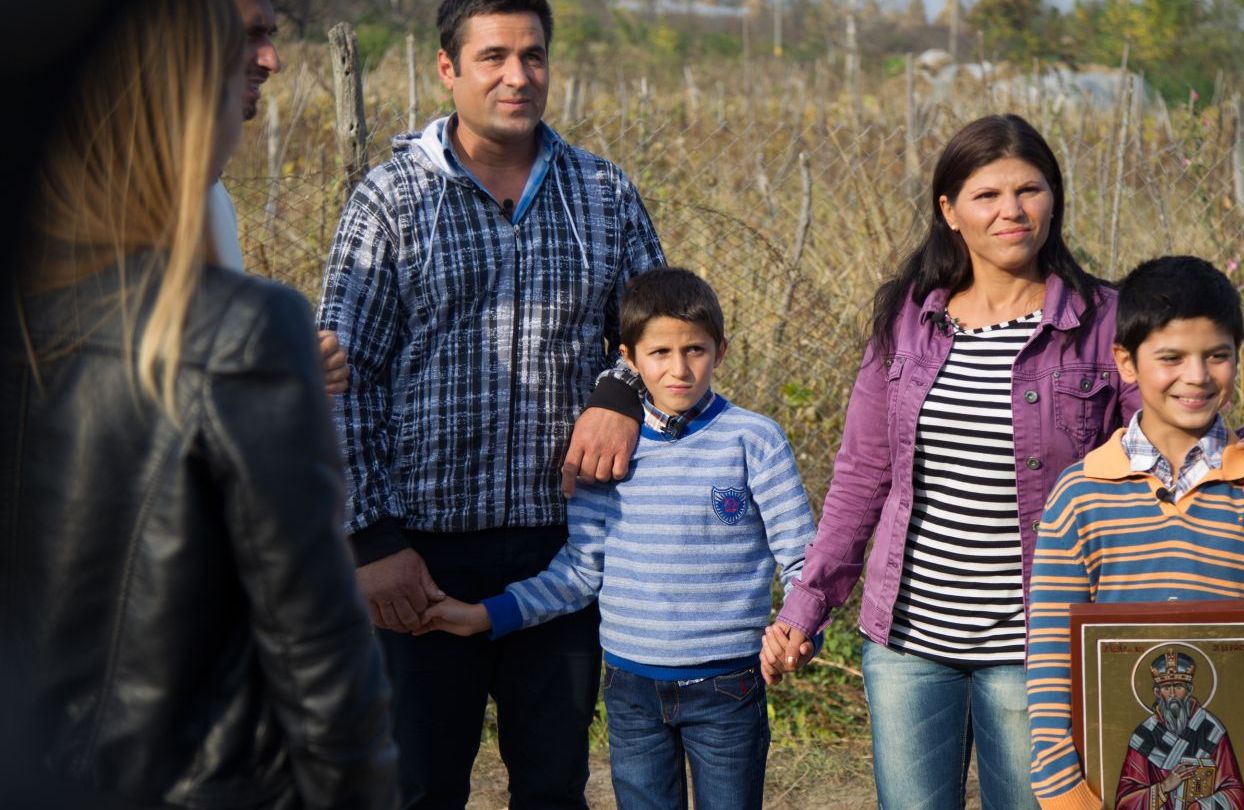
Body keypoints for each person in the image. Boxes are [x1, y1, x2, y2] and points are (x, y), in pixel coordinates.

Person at [761, 115, 1244, 809]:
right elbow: (862, 475)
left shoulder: (1103, 319)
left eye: (1029, 190)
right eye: (987, 195)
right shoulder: (907, 319)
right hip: (907, 639)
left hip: (1039, 643)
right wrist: (805, 609)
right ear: (949, 211)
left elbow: (1177, 420)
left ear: (1055, 200)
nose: (1011, 211)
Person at [2, 0, 398, 807]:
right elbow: (323, 684)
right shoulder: (240, 333)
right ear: (174, 83)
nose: (269, 62)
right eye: (240, 43)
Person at [316, 0, 666, 805]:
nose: (518, 76)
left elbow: (663, 330)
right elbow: (342, 380)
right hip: (418, 552)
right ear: (448, 68)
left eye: (534, 56)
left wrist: (618, 393)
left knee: (553, 783)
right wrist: (371, 541)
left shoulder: (602, 193)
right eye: (494, 57)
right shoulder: (392, 198)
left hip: (563, 550)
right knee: (416, 785)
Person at [417, 268, 814, 810]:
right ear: (628, 358)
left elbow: (801, 558)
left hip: (728, 686)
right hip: (630, 690)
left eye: (695, 349)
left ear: (721, 350)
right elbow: (580, 573)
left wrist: (796, 625)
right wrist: (486, 615)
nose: (679, 369)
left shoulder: (754, 440)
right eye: (660, 353)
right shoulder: (607, 453)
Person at [1025, 256, 1244, 810]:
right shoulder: (1080, 498)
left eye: (1218, 356)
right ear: (1127, 363)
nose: (1197, 376)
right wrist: (1067, 789)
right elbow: (1049, 660)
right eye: (1171, 357)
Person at [205, 0, 351, 395]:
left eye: (271, 36)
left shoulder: (211, 194)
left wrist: (293, 363)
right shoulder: (99, 202)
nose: (273, 61)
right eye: (252, 34)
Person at [1117, 651, 1244, 810]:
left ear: (1189, 690)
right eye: (1166, 687)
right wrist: (1164, 787)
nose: (1172, 694)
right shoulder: (1143, 737)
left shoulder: (1212, 731)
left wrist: (1200, 807)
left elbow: (1234, 795)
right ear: (1157, 693)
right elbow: (1124, 803)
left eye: (1178, 686)